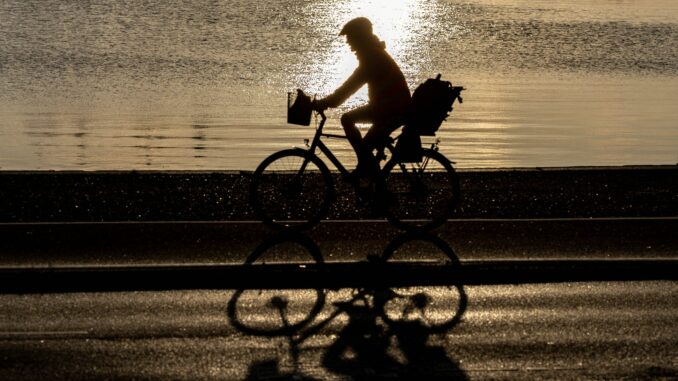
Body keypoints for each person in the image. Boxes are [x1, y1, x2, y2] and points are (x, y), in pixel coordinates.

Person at [312, 17, 411, 183]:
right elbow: (348, 88)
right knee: (363, 146)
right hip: (387, 108)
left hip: (392, 110)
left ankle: (367, 170)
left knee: (351, 125)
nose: (349, 44)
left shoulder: (373, 59)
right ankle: (373, 180)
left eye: (350, 38)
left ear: (360, 37)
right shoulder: (374, 54)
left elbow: (347, 89)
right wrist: (328, 102)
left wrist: (324, 103)